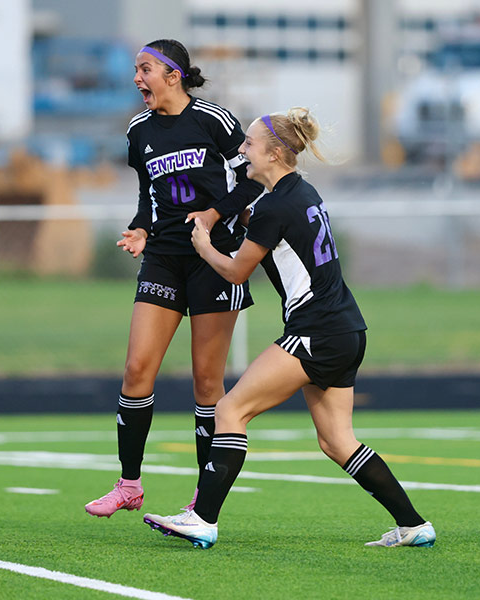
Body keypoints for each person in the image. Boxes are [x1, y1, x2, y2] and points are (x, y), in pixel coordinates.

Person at [142, 108, 435, 549]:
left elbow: (236, 271)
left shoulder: (275, 206)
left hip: (316, 330)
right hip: (346, 329)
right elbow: (269, 233)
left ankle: (202, 519)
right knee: (337, 441)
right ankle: (414, 525)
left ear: (276, 153)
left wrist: (202, 245)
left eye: (249, 145)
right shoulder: (301, 193)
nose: (241, 151)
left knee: (229, 410)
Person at [85, 39, 265, 518]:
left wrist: (212, 214)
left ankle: (201, 504)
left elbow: (251, 181)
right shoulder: (139, 129)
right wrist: (142, 228)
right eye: (136, 70)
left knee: (207, 383)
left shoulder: (215, 119)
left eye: (144, 69)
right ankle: (129, 484)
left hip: (215, 258)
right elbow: (149, 193)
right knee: (136, 370)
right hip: (163, 257)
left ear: (173, 74)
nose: (137, 78)